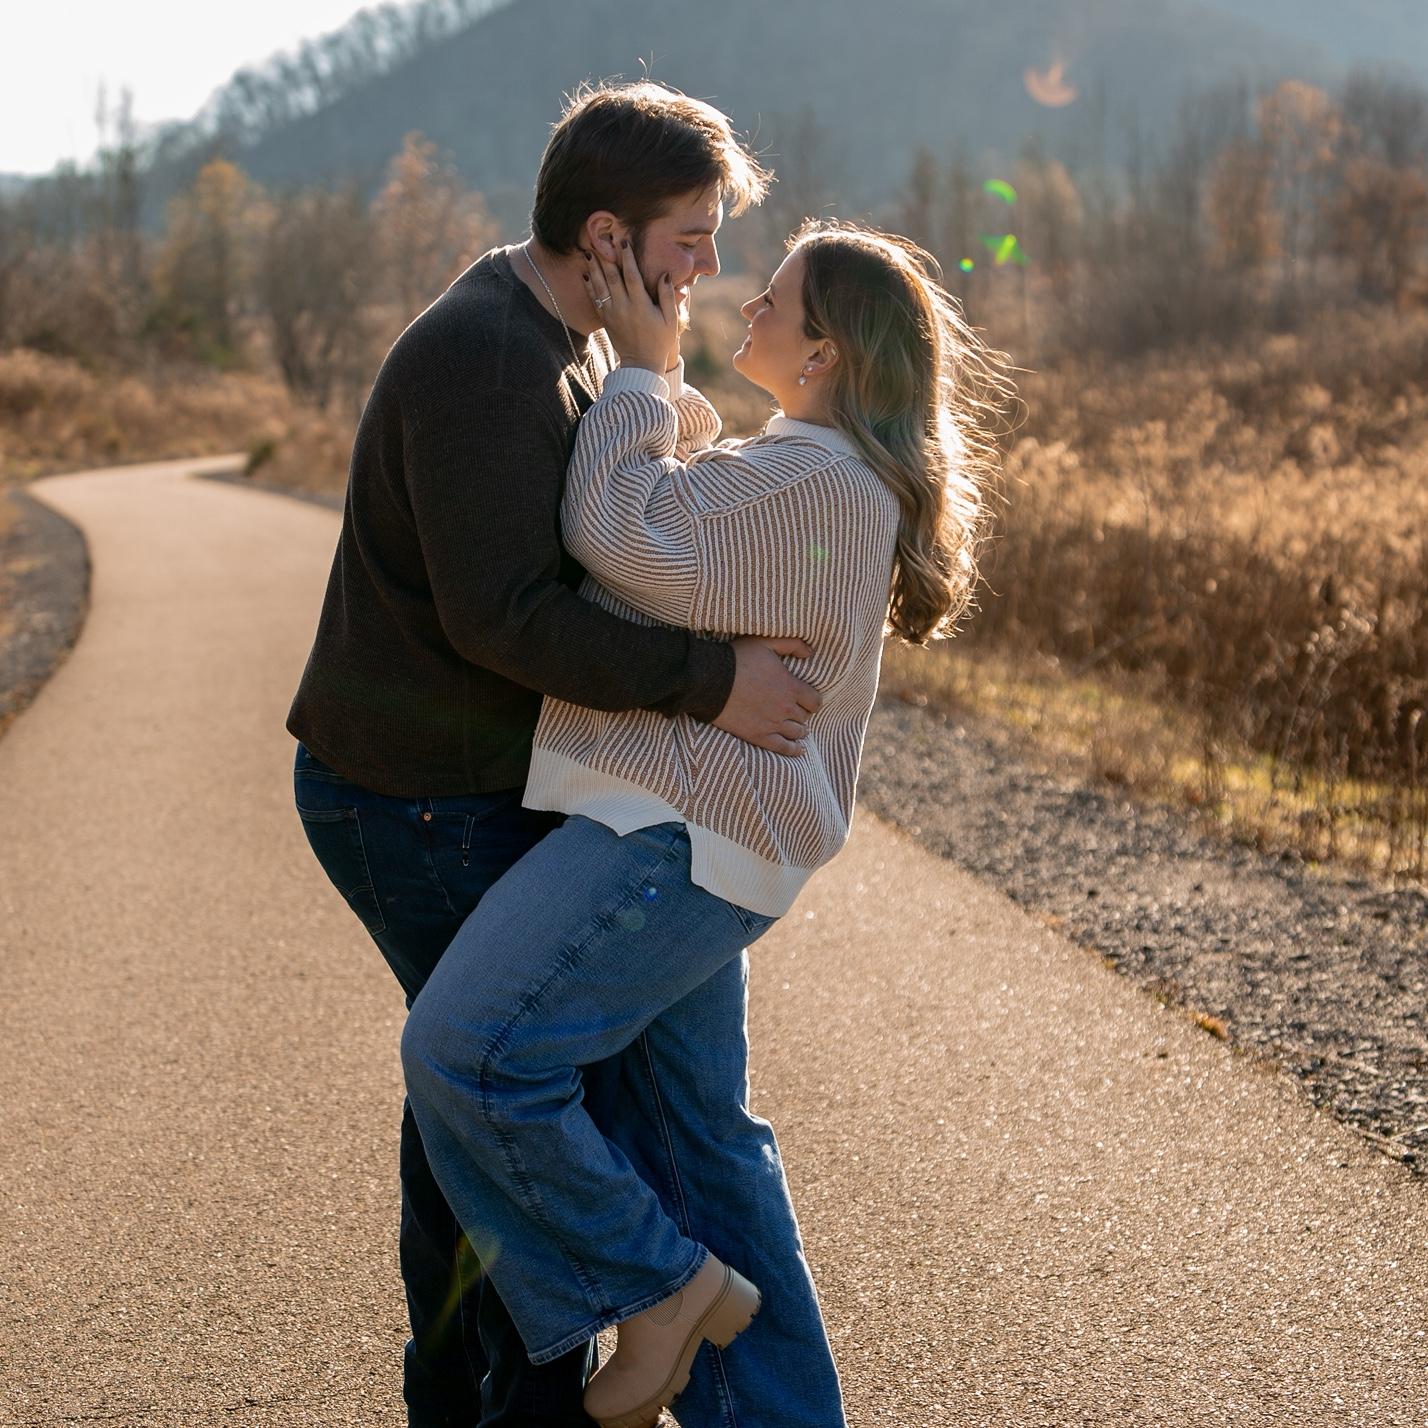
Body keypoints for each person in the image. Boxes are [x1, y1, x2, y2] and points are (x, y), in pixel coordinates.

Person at [400, 222, 1015, 1427]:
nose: (746, 309)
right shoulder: (805, 470)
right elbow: (686, 518)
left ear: (825, 353)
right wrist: (663, 384)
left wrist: (640, 371)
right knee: (702, 1153)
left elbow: (620, 534)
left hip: (671, 841)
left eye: (773, 300)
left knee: (469, 1053)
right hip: (702, 839)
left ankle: (662, 1288)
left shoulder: (810, 483)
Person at [287, 82, 824, 1428]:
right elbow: (508, 617)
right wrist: (715, 683)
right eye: (691, 235)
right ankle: (535, 1381)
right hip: (415, 801)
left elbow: (629, 529)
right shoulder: (489, 358)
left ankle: (481, 1396)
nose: (710, 262)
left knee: (479, 1099)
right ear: (605, 235)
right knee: (490, 1087)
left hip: (482, 787)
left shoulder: (572, 340)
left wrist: (658, 381)